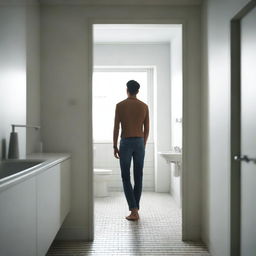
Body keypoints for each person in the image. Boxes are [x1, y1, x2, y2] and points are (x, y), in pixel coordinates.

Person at [113, 80, 149, 221]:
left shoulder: (120, 106)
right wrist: (143, 143)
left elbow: (116, 127)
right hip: (139, 142)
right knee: (138, 176)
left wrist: (114, 146)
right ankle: (135, 209)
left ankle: (133, 210)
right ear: (137, 91)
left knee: (125, 176)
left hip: (126, 142)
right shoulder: (144, 106)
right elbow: (147, 128)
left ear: (127, 90)